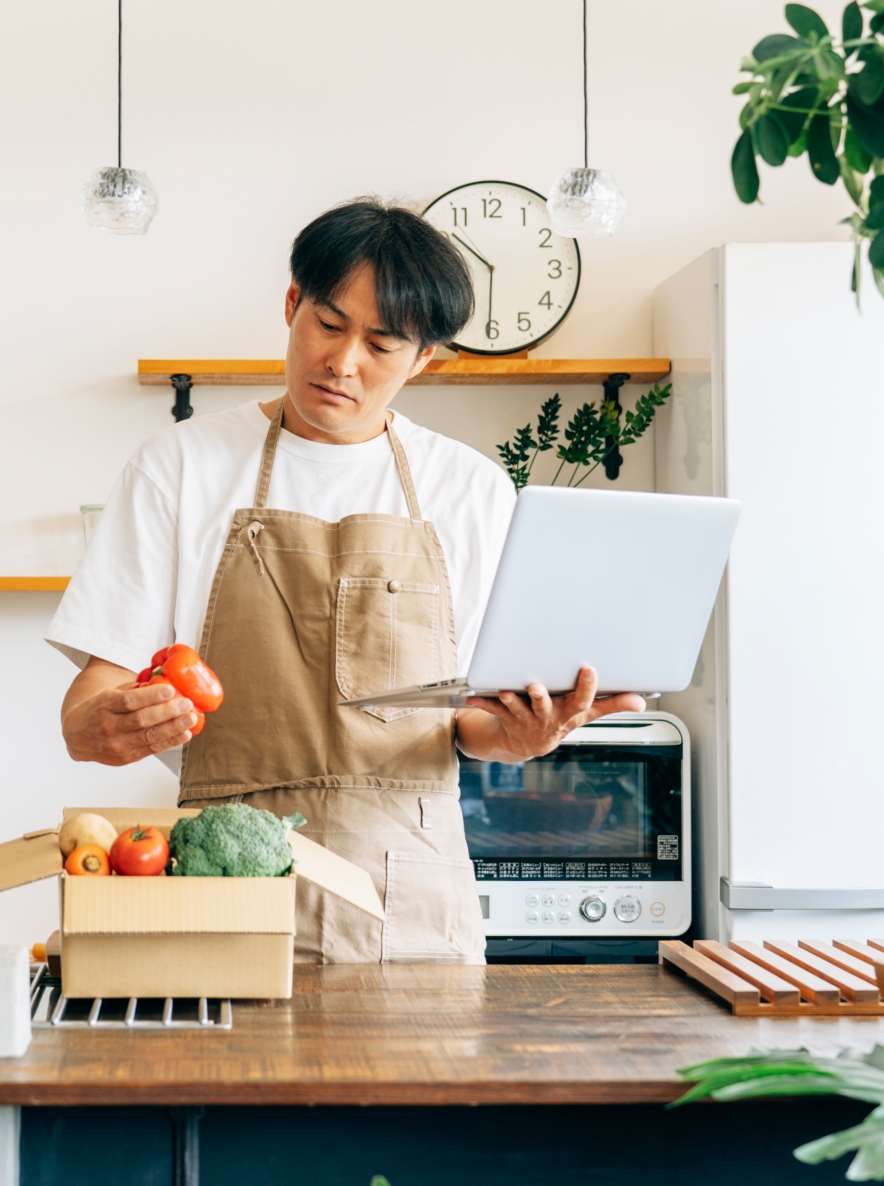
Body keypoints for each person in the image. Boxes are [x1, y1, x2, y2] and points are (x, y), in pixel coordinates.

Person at [46, 198, 644, 964]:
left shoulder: (470, 489)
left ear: (425, 358)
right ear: (293, 303)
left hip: (411, 905)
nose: (343, 362)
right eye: (329, 325)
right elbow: (87, 706)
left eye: (383, 344)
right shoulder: (179, 466)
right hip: (225, 892)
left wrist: (527, 737)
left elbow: (472, 724)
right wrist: (104, 727)